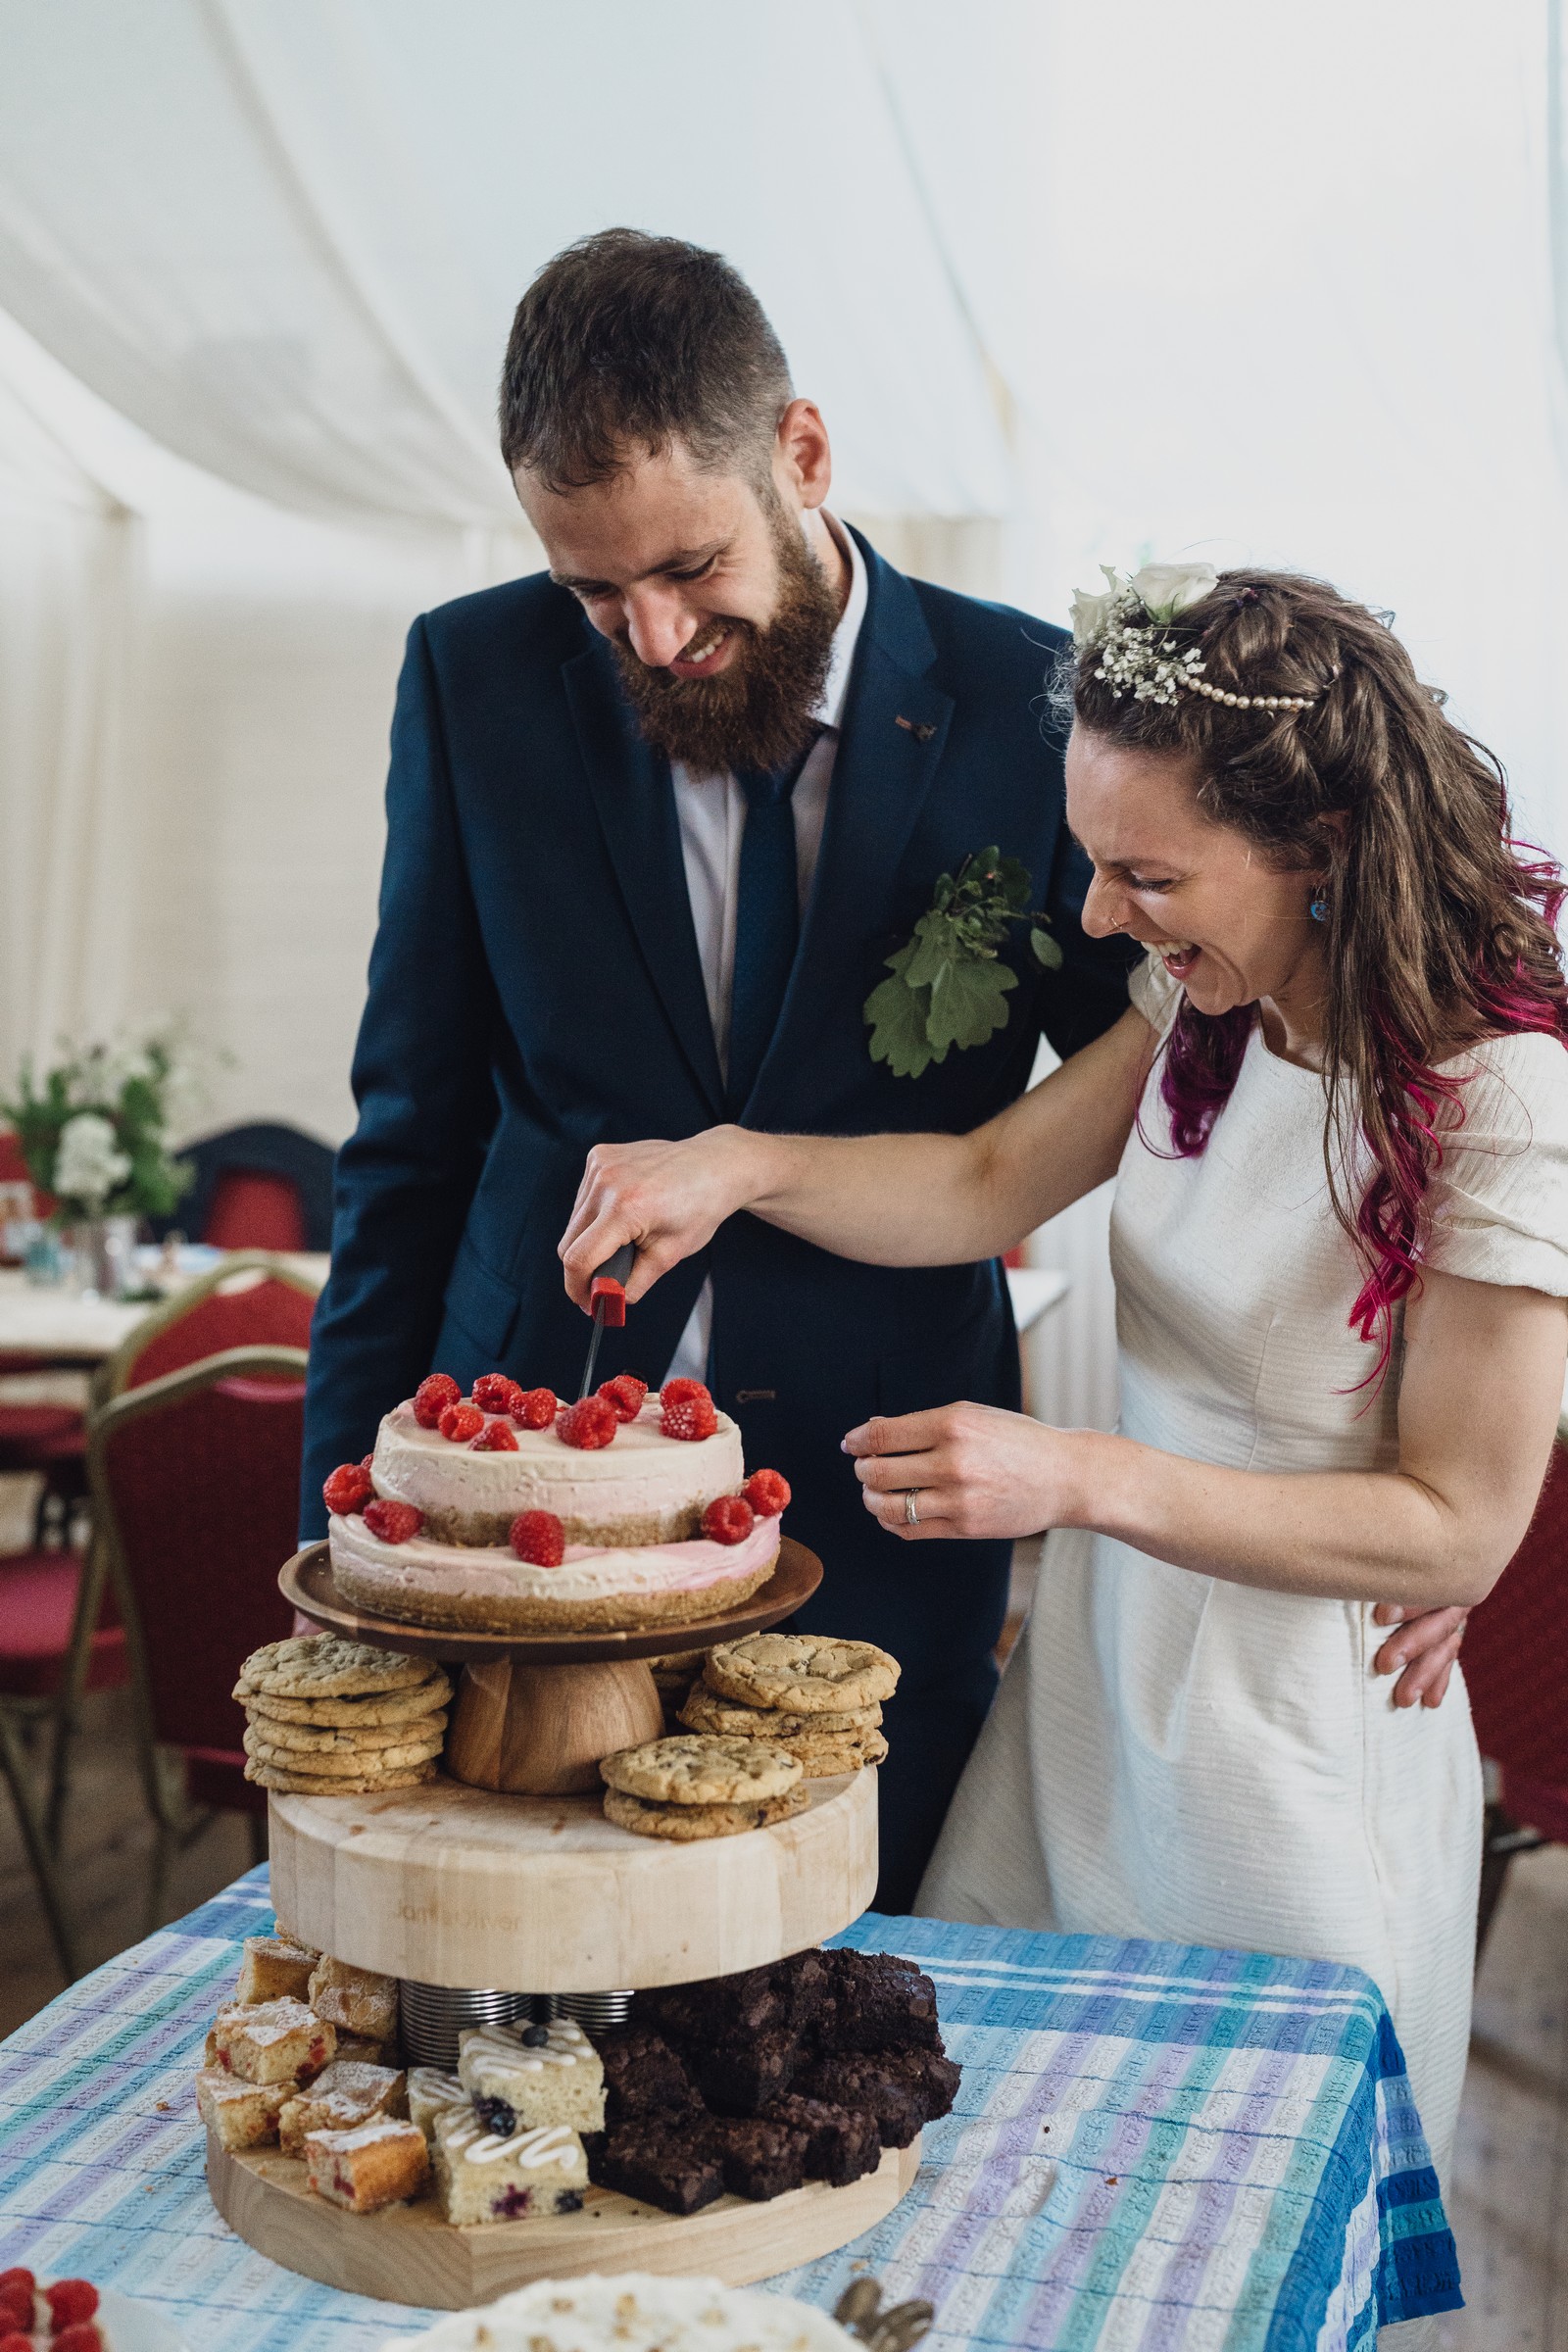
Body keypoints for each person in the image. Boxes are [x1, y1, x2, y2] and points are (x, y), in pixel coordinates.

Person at [559, 560, 1568, 2193]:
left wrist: (1075, 1476)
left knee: (1222, 2209)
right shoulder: (1208, 1005)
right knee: (980, 2178)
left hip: (1295, 1753)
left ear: (1315, 848)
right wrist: (735, 1163)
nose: (1099, 919)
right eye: (1094, 863)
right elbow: (977, 1184)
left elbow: (1456, 1525)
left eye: (1145, 873)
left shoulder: (1500, 1093)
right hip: (1094, 1695)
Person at [299, 227, 1142, 1907]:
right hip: (516, 1488)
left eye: (687, 565)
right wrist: (346, 1533)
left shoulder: (1021, 700)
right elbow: (414, 1128)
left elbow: (1169, 1056)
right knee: (522, 1959)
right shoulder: (474, 680)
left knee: (849, 1964)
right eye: (593, 591)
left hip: (878, 1481)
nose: (655, 636)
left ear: (802, 454)